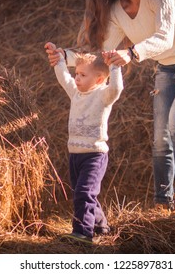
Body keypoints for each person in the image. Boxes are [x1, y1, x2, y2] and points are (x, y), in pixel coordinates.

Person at [48, 0, 175, 219]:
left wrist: (131, 53)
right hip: (168, 67)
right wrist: (65, 57)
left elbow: (164, 37)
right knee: (161, 138)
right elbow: (102, 55)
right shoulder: (116, 10)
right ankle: (161, 203)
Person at [44, 42, 124, 244]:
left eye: (82, 75)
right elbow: (64, 78)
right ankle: (102, 226)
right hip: (75, 154)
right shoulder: (76, 93)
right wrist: (60, 59)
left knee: (84, 192)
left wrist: (114, 66)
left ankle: (83, 232)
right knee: (84, 192)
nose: (76, 77)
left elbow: (116, 87)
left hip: (94, 155)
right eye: (77, 73)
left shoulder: (104, 95)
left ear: (98, 79)